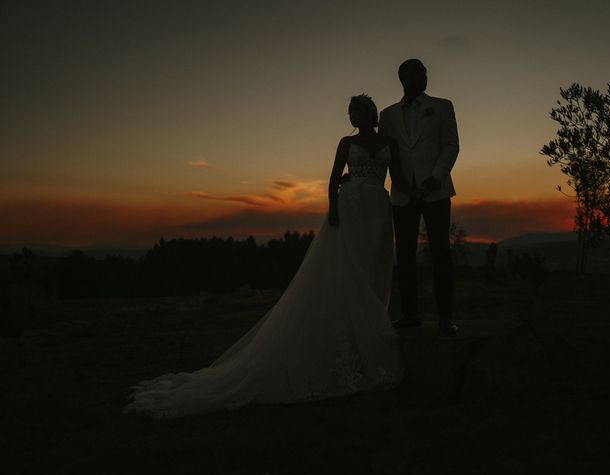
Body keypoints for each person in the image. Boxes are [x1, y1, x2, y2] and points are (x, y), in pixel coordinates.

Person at [123, 94, 406, 419]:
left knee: (374, 269)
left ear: (368, 112)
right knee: (348, 270)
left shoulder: (388, 142)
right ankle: (350, 339)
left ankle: (368, 329)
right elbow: (332, 179)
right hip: (351, 208)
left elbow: (397, 177)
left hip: (379, 212)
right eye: (348, 112)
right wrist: (333, 209)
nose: (350, 116)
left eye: (354, 110)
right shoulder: (346, 142)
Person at [378, 59, 460, 334]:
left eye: (424, 72)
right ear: (404, 78)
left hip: (436, 191)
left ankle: (446, 318)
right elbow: (386, 154)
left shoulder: (442, 106)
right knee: (404, 254)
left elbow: (451, 145)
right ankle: (409, 314)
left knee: (441, 253)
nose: (424, 76)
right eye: (418, 73)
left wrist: (435, 178)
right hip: (403, 194)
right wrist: (401, 184)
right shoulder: (387, 115)